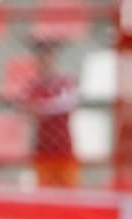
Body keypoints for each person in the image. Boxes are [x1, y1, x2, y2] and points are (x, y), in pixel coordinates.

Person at [23, 38, 78, 189]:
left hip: (64, 147)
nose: (44, 61)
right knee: (45, 191)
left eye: (48, 55)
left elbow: (69, 104)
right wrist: (51, 106)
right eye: (41, 57)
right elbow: (29, 110)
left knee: (70, 192)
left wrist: (43, 107)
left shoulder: (64, 82)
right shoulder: (33, 85)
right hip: (43, 148)